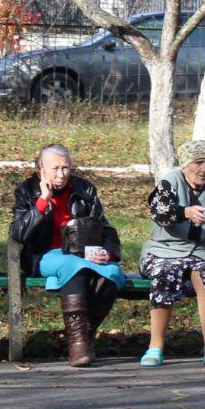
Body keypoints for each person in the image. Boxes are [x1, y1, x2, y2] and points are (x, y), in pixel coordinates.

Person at [10, 143, 127, 366]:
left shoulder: (85, 190)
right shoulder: (27, 191)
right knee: (74, 268)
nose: (61, 174)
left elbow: (106, 228)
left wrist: (108, 253)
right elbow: (18, 233)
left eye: (65, 168)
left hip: (84, 253)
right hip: (44, 254)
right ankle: (77, 344)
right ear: (40, 170)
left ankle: (83, 337)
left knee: (112, 274)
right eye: (54, 169)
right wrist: (42, 202)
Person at [136, 138, 205, 367]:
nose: (203, 169)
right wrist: (184, 212)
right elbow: (160, 212)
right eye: (198, 163)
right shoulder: (170, 183)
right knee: (165, 273)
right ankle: (155, 346)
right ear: (185, 164)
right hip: (164, 251)